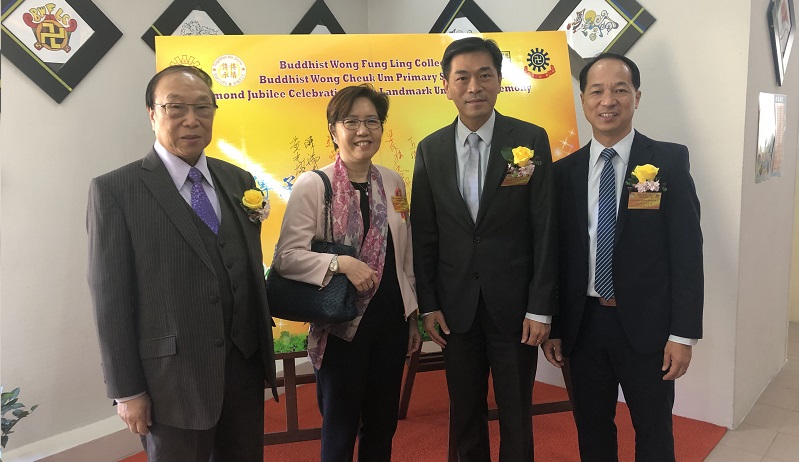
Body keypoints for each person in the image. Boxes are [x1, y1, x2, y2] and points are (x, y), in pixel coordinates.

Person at [87, 65, 277, 462]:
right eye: (176, 108)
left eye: (203, 107)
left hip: (243, 368)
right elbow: (110, 300)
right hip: (171, 381)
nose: (192, 119)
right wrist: (127, 391)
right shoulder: (116, 190)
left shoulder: (239, 180)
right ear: (152, 114)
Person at [542, 53, 703, 461]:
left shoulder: (667, 162)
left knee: (654, 428)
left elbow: (687, 253)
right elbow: (557, 257)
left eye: (619, 90)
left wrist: (682, 335)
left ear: (637, 97)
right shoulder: (564, 173)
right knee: (592, 428)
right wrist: (556, 326)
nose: (607, 100)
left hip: (648, 328)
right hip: (584, 326)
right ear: (583, 100)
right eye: (596, 91)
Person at [411, 37, 557, 461]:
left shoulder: (529, 139)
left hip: (515, 307)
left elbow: (545, 228)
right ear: (447, 86)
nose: (474, 86)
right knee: (464, 412)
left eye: (484, 75)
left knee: (516, 410)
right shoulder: (431, 149)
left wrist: (540, 308)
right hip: (455, 307)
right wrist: (428, 304)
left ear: (498, 80)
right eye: (462, 78)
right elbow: (425, 235)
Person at [271, 84, 421, 462]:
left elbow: (404, 254)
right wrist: (341, 263)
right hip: (341, 327)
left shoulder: (394, 182)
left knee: (383, 425)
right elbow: (286, 257)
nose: (362, 130)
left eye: (372, 121)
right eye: (351, 121)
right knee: (340, 428)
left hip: (390, 324)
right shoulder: (314, 184)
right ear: (333, 131)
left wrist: (411, 317)